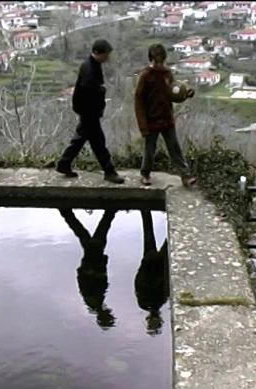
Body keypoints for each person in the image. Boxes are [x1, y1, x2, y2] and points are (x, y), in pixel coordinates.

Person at [55, 39, 124, 184]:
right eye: (106, 54)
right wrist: (101, 92)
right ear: (98, 53)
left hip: (88, 111)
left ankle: (64, 163)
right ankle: (109, 171)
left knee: (81, 139)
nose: (108, 57)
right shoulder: (89, 69)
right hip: (88, 111)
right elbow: (89, 91)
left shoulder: (92, 65)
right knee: (98, 142)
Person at [134, 43, 196, 187]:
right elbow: (138, 102)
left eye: (161, 59)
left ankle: (186, 176)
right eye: (156, 60)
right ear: (151, 59)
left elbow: (174, 93)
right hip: (151, 120)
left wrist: (186, 94)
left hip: (167, 119)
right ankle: (145, 174)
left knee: (175, 148)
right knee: (150, 150)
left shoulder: (167, 74)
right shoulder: (145, 76)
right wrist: (143, 126)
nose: (159, 63)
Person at [59, 208, 118, 329]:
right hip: (93, 261)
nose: (111, 312)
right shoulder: (97, 303)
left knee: (98, 232)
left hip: (93, 260)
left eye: (110, 316)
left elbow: (89, 282)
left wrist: (95, 270)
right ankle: (66, 212)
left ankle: (111, 210)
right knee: (86, 234)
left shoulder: (94, 301)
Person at [134, 210, 169, 336]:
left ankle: (145, 210)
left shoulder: (148, 302)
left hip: (151, 263)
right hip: (155, 263)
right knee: (152, 234)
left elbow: (139, 282)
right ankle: (145, 210)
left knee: (150, 234)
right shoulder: (160, 301)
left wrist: (144, 264)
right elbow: (138, 282)